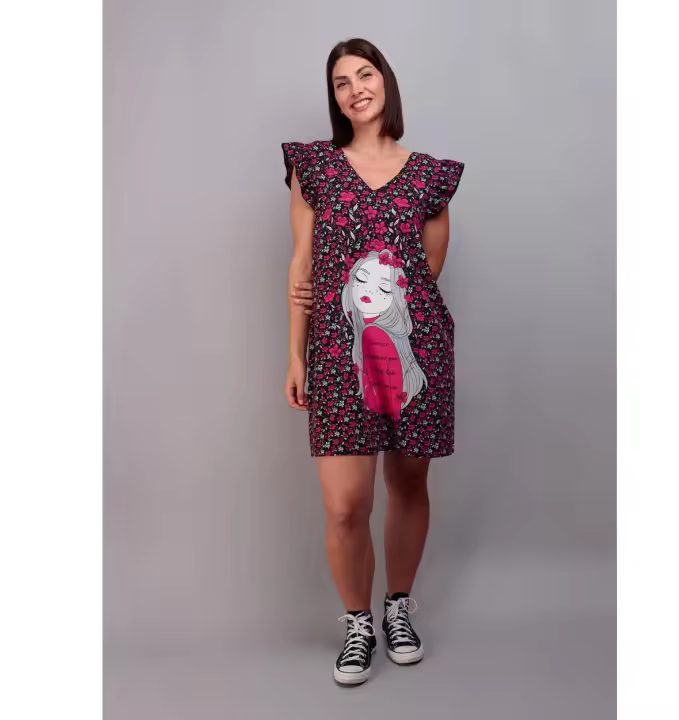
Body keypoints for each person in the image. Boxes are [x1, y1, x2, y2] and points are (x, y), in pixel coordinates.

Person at [282, 38, 464, 685]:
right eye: (341, 82)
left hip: (413, 352)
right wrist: (296, 354)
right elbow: (302, 265)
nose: (356, 88)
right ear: (334, 98)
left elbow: (426, 271)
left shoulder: (431, 176)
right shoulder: (313, 167)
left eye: (366, 74)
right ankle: (358, 623)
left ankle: (398, 608)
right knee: (345, 504)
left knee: (408, 486)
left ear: (385, 82)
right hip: (337, 352)